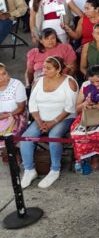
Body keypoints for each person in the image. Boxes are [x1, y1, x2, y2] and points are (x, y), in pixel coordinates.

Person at [18, 57, 77, 190]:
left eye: (48, 68)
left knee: (54, 137)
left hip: (63, 118)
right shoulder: (38, 81)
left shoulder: (69, 82)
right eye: (44, 67)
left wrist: (52, 123)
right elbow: (32, 104)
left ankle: (54, 170)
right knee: (26, 138)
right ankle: (29, 170)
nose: (44, 70)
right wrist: (39, 122)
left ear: (58, 69)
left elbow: (70, 108)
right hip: (41, 119)